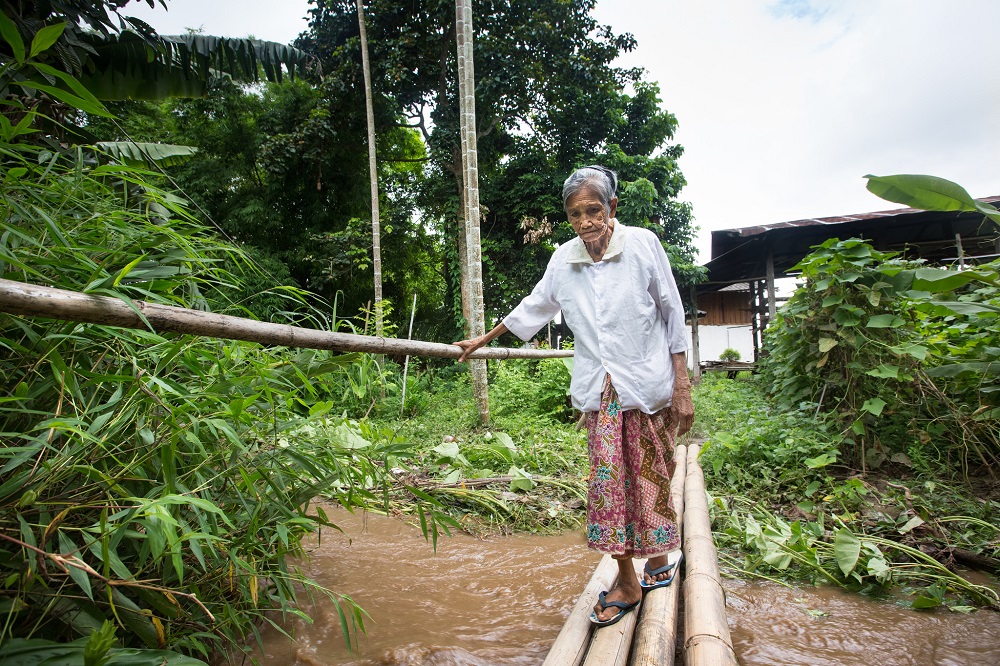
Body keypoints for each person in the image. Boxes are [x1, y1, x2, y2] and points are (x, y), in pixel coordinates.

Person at [453, 165, 694, 627]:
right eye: (575, 214)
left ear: (612, 209)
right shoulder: (564, 259)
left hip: (647, 383)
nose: (585, 222)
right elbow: (536, 305)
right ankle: (626, 578)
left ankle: (659, 557)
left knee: (655, 473)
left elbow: (671, 311)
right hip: (601, 391)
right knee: (609, 486)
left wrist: (682, 384)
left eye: (593, 210)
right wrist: (484, 338)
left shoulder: (643, 244)